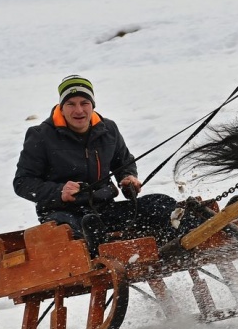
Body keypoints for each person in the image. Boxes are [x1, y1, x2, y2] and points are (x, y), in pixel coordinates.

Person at [14, 75, 182, 254]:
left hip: (104, 209)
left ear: (92, 105)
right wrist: (59, 191)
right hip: (62, 214)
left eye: (84, 103)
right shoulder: (40, 136)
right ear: (61, 107)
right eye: (71, 104)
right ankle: (100, 257)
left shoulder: (108, 129)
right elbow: (22, 183)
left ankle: (171, 248)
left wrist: (128, 177)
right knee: (75, 232)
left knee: (160, 204)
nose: (78, 110)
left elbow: (124, 162)